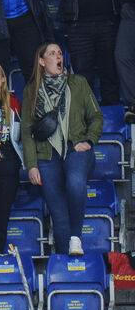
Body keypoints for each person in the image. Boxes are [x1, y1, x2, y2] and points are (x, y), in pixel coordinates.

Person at [21, 43, 101, 258]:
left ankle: (76, 237)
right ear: (41, 61)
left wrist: (90, 140)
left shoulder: (78, 82)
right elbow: (27, 132)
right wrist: (31, 165)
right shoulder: (31, 90)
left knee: (75, 182)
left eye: (59, 53)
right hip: (46, 154)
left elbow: (96, 116)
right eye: (52, 53)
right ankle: (67, 263)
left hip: (76, 148)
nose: (58, 57)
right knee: (58, 213)